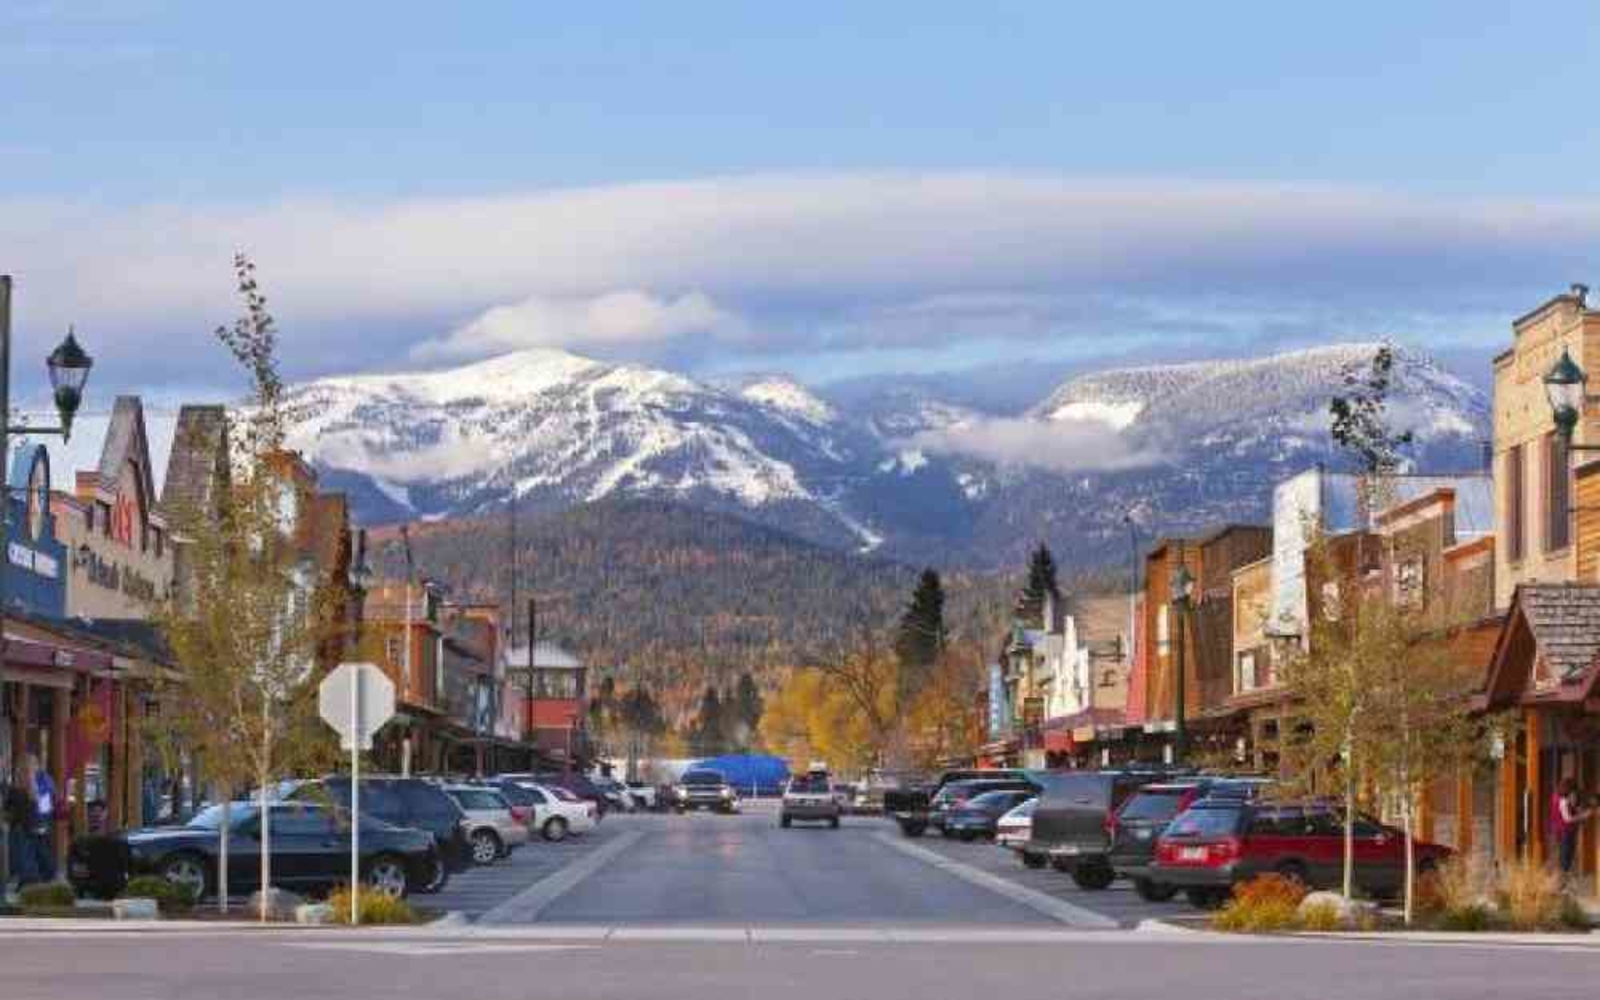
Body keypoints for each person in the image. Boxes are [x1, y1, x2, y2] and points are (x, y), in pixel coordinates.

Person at [4, 763, 38, 888]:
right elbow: (36, 810)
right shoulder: (33, 790)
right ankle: (29, 880)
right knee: (28, 854)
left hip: (18, 826)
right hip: (30, 826)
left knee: (19, 855)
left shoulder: (15, 790)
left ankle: (25, 881)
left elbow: (9, 808)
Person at [1551, 778, 1592, 880]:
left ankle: (1562, 881)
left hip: (1560, 831)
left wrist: (1576, 808)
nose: (1574, 794)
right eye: (1573, 791)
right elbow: (1567, 819)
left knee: (1564, 857)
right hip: (1565, 831)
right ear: (1569, 790)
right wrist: (1583, 816)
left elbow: (1569, 810)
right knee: (1566, 858)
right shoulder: (1563, 801)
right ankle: (1562, 882)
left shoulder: (1558, 798)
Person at [25, 755, 56, 883]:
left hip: (41, 818)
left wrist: (31, 779)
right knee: (34, 847)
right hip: (32, 818)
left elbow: (39, 799)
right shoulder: (29, 777)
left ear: (36, 765)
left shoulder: (43, 778)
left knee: (41, 846)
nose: (28, 768)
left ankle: (48, 874)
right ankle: (37, 875)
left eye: (31, 764)